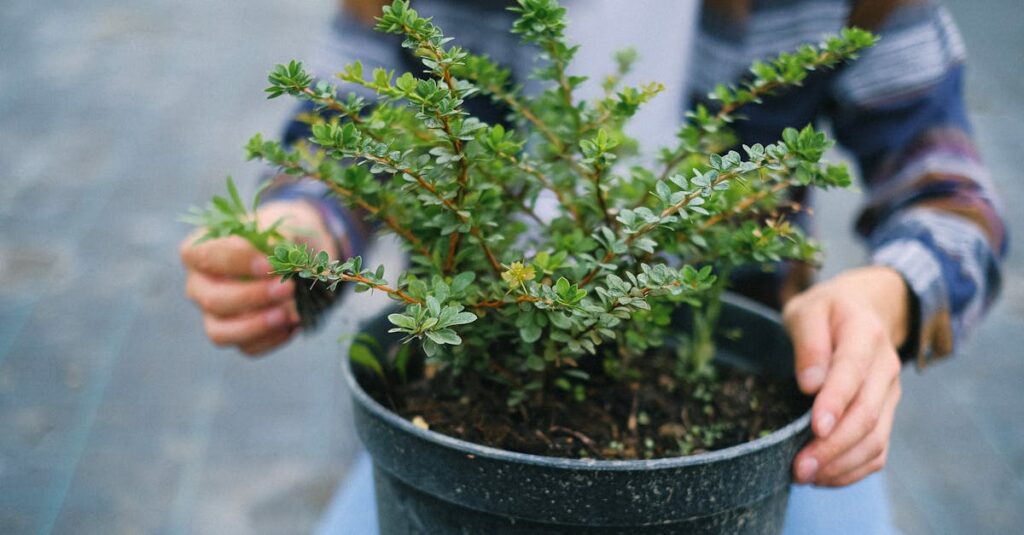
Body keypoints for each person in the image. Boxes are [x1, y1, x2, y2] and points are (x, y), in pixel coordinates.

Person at [180, 0, 1006, 531]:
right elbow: (344, 124)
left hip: (748, 378)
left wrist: (887, 293)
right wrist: (299, 229)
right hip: (475, 358)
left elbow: (949, 193)